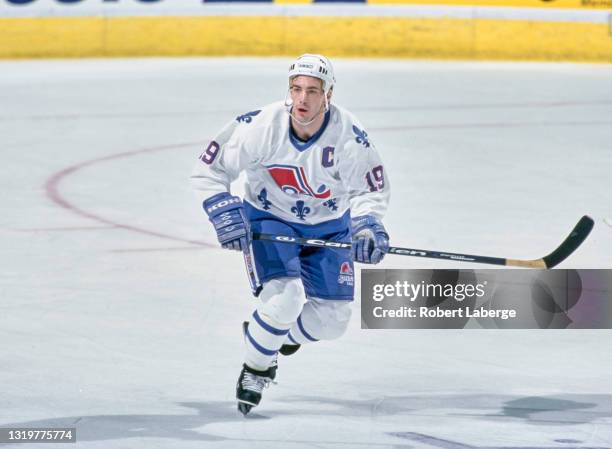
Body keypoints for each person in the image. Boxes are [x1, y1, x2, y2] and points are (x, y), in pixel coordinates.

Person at [190, 54, 390, 415]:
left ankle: (266, 333)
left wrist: (367, 225)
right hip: (271, 219)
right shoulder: (262, 125)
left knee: (333, 322)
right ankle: (256, 368)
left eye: (313, 91)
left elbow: (370, 190)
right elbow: (210, 170)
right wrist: (222, 209)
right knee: (285, 299)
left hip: (330, 226)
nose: (303, 99)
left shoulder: (349, 136)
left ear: (328, 94)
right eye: (296, 89)